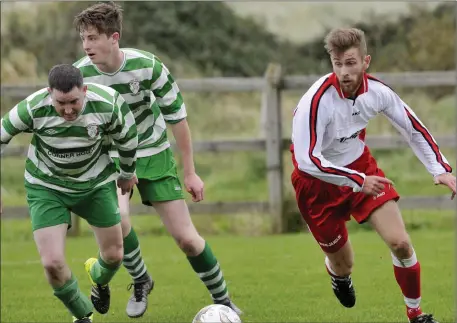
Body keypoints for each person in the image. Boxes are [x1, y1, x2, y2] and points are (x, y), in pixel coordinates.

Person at [72, 2, 242, 319]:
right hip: (109, 158)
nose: (86, 45)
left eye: (93, 37)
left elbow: (178, 120)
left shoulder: (148, 66)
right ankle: (141, 280)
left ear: (114, 37)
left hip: (153, 151)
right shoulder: (80, 75)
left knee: (188, 240)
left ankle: (224, 301)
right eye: (83, 38)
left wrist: (190, 172)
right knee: (120, 224)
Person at [290, 27, 455, 323]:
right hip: (317, 184)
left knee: (401, 243)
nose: (344, 72)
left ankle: (416, 315)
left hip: (362, 169)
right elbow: (306, 160)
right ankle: (337, 274)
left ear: (366, 61)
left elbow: (412, 128)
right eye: (337, 64)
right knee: (344, 265)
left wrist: (439, 169)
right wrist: (357, 181)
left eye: (350, 63)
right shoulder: (316, 102)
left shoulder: (378, 93)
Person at [0, 64, 139, 322]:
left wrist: (127, 173)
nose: (67, 110)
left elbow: (128, 137)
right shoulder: (32, 108)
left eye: (74, 101)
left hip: (95, 183)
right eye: (60, 102)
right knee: (52, 263)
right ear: (49, 92)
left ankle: (98, 279)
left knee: (114, 255)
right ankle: (82, 316)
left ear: (84, 90)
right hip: (47, 186)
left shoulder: (108, 104)